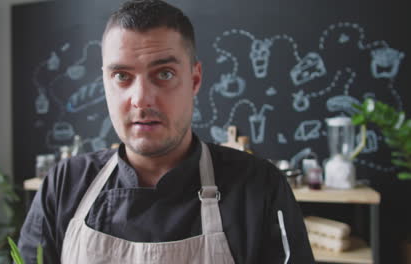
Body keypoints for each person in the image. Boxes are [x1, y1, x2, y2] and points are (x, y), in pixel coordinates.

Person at [18, 0, 315, 263]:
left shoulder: (260, 188)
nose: (142, 98)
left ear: (195, 79)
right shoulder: (64, 185)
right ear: (105, 82)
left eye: (165, 74)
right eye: (122, 76)